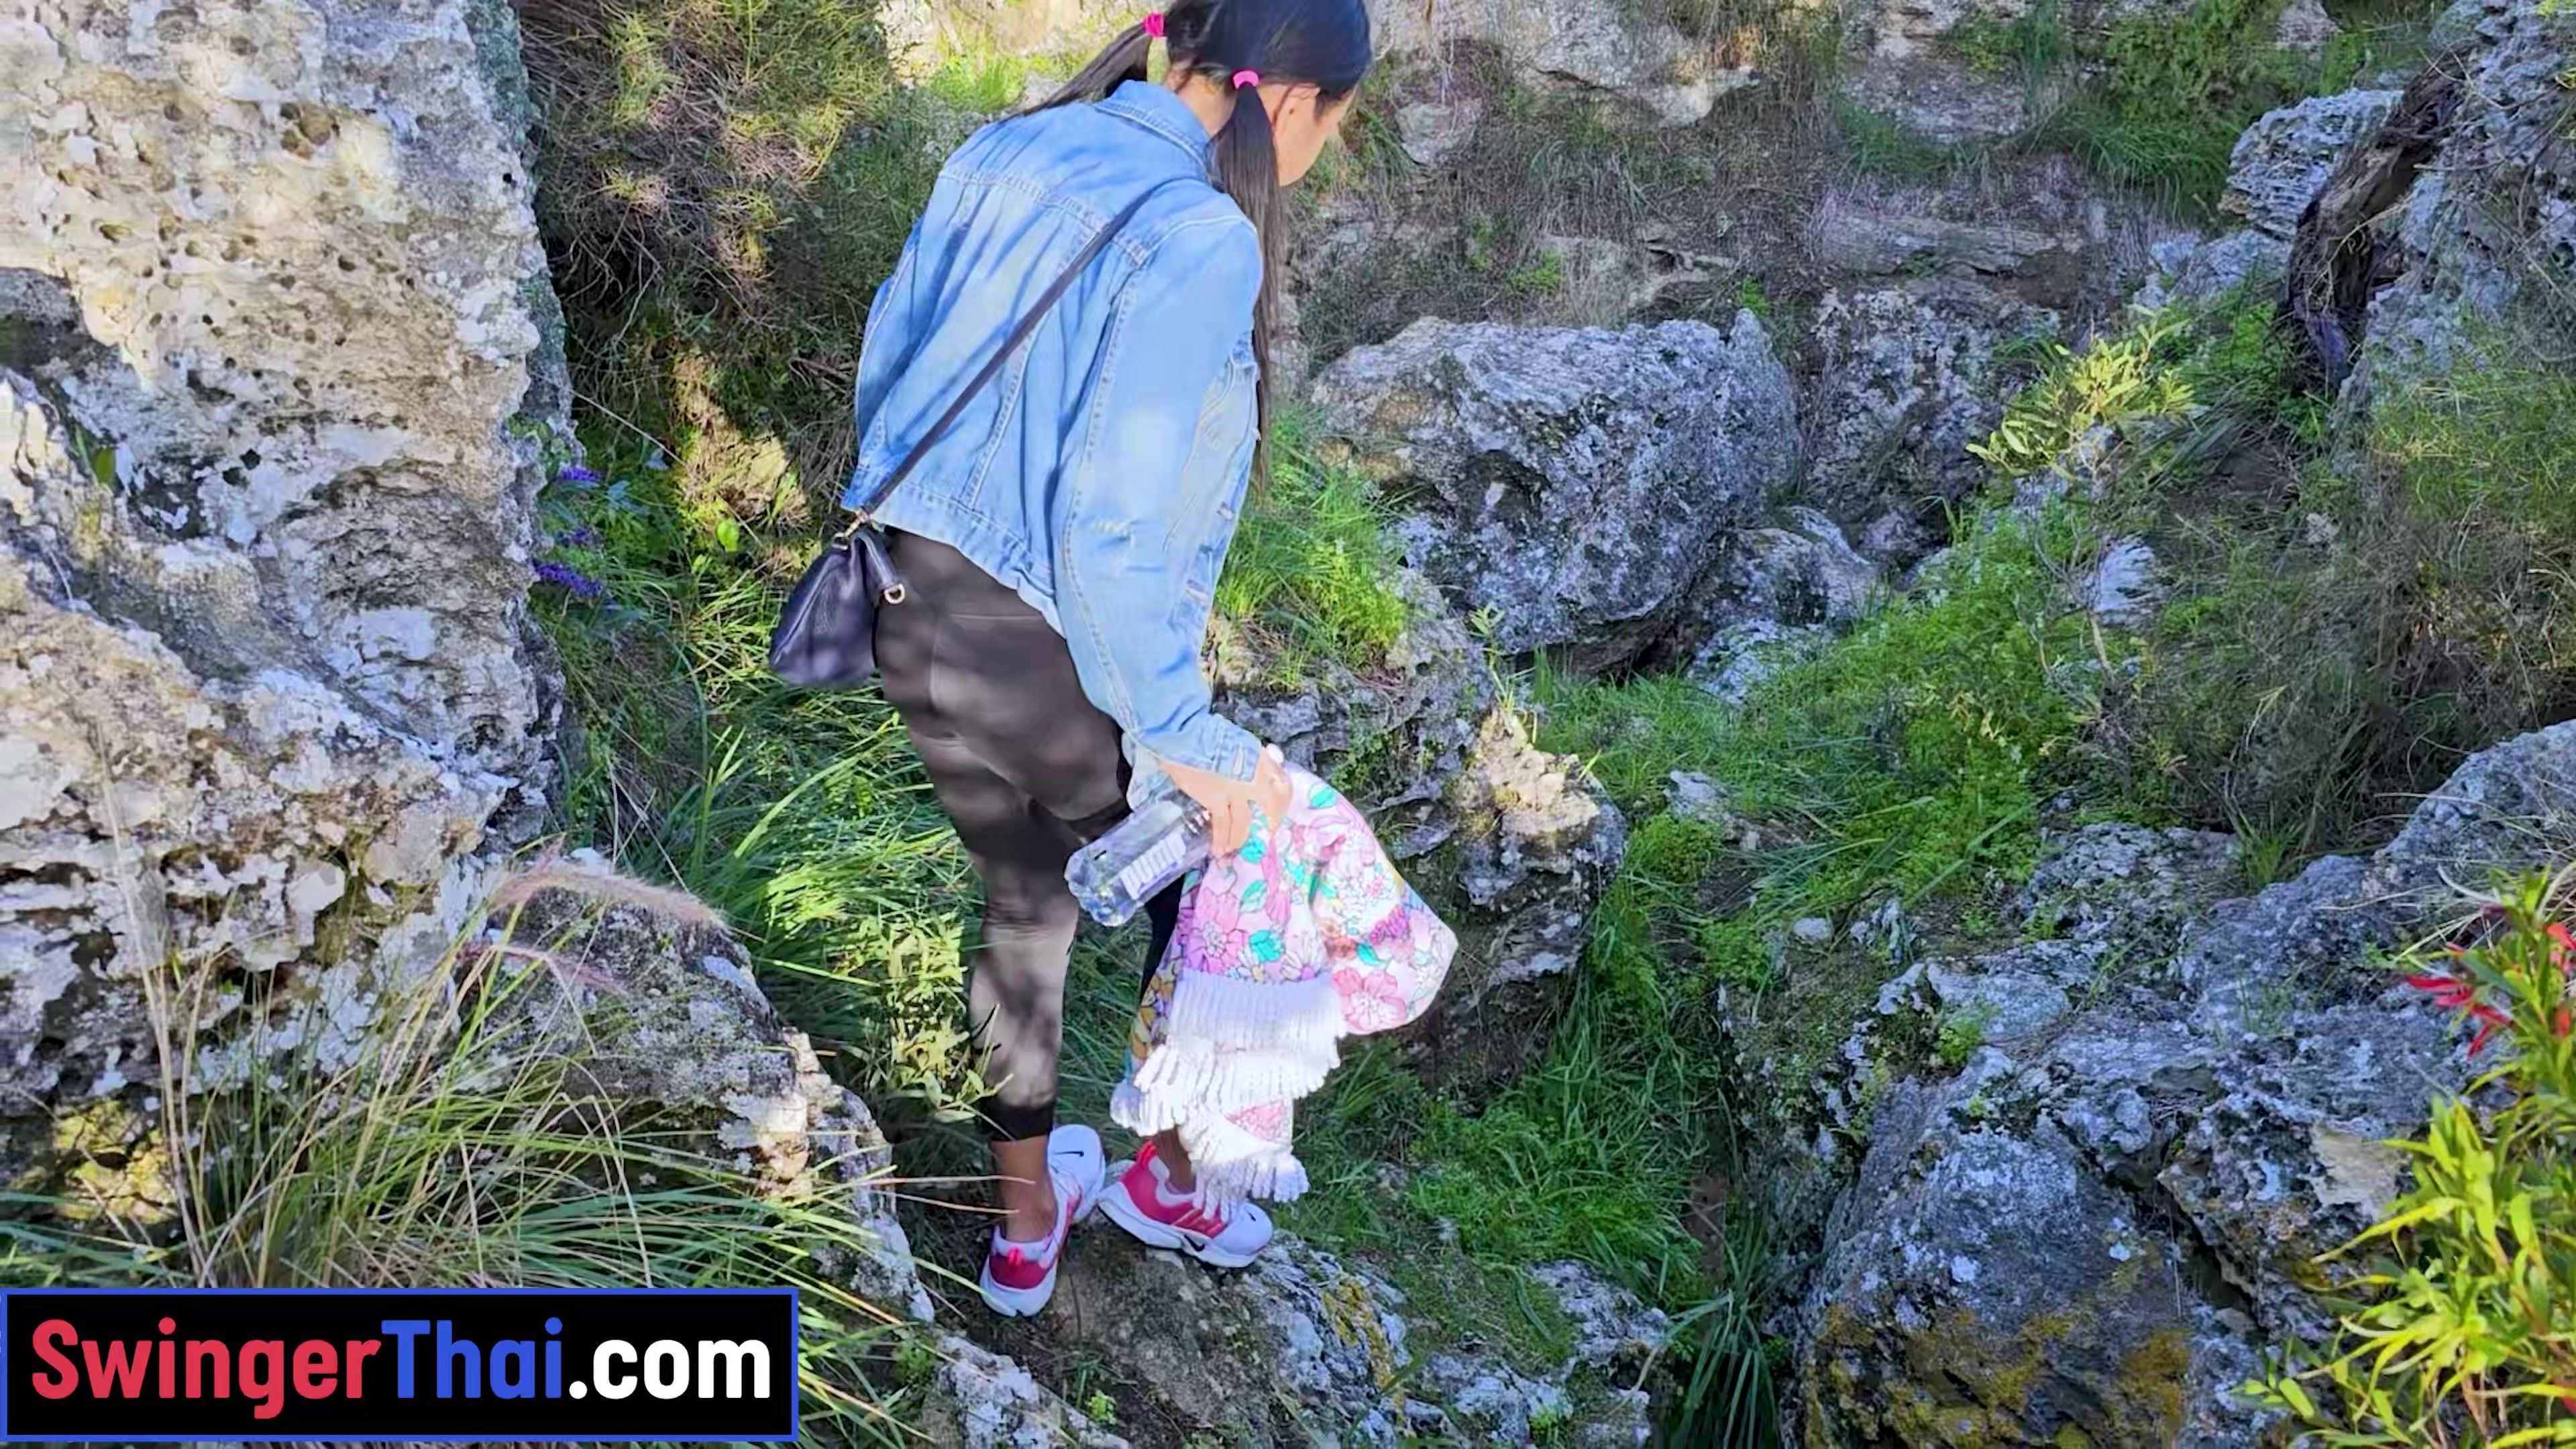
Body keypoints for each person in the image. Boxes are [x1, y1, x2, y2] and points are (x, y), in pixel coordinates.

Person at [846, 0, 1371, 1316]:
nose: (1326, 149)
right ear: (1291, 101)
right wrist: (1190, 739)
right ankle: (1170, 1182)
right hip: (1035, 643)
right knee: (1223, 873)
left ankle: (1026, 1228)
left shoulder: (1010, 146)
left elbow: (885, 361)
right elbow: (1110, 529)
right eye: (1337, 123)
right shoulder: (1200, 235)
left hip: (904, 599)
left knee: (1027, 898)